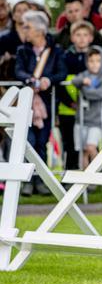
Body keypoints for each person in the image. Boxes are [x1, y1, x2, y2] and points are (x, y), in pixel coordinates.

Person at [15, 11, 66, 195]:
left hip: (47, 102)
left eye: (27, 26)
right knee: (28, 142)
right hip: (27, 103)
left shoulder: (55, 51)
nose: (24, 30)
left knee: (42, 142)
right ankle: (27, 182)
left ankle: (41, 181)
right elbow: (18, 71)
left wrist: (48, 80)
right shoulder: (23, 50)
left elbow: (61, 72)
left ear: (39, 29)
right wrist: (30, 79)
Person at [58, 21, 101, 170]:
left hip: (91, 109)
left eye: (85, 35)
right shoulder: (65, 56)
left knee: (91, 142)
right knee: (70, 143)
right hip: (68, 109)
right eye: (78, 35)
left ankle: (93, 175)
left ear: (91, 38)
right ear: (72, 38)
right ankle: (71, 173)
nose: (82, 38)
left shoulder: (97, 56)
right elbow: (60, 82)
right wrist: (70, 103)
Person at [71, 47, 102, 170]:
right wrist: (83, 81)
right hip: (82, 119)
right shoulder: (85, 75)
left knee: (91, 147)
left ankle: (97, 173)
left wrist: (84, 89)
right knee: (83, 151)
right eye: (91, 61)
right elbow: (74, 80)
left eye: (98, 61)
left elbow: (100, 94)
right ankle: (85, 180)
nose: (94, 64)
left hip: (97, 120)